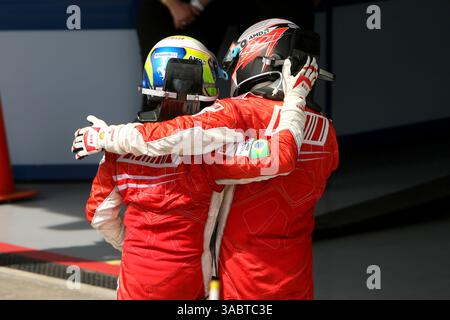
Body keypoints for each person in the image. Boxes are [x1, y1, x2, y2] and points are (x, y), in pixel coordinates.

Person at [72, 34, 316, 299]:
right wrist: (296, 96)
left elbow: (99, 216)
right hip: (191, 287)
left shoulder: (117, 151)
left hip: (134, 287)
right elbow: (281, 156)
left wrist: (132, 248)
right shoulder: (214, 155)